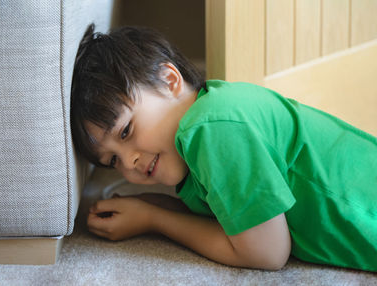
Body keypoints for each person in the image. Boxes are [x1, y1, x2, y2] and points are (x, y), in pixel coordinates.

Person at [70, 24, 377, 272]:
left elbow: (267, 252)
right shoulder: (208, 120)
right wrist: (156, 205)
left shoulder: (211, 128)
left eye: (126, 130)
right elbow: (229, 216)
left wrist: (155, 219)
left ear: (169, 80)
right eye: (112, 161)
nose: (129, 162)